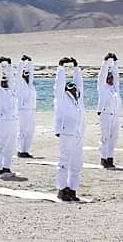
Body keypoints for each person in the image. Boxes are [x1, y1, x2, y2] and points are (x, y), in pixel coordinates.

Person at [54, 57, 85, 202]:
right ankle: (62, 189)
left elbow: (80, 83)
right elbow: (58, 85)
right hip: (67, 132)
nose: (73, 87)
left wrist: (76, 68)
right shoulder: (61, 98)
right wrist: (61, 68)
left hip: (78, 133)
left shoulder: (79, 98)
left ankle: (72, 189)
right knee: (64, 161)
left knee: (76, 163)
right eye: (70, 86)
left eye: (74, 86)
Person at [0, 57, 18, 175]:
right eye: (3, 80)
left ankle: (7, 166)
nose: (5, 82)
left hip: (12, 120)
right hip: (2, 120)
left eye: (5, 80)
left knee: (10, 144)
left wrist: (10, 66)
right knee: (1, 143)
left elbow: (12, 79)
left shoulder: (11, 91)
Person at [97, 53, 121, 168]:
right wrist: (106, 62)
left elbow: (117, 76)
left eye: (112, 77)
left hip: (115, 115)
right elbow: (101, 76)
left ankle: (110, 157)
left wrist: (116, 63)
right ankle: (103, 158)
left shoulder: (115, 88)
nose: (111, 79)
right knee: (105, 137)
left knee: (114, 137)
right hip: (106, 114)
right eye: (109, 77)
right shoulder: (102, 87)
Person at [14, 56, 37, 158]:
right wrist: (22, 62)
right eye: (25, 74)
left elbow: (31, 73)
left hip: (31, 110)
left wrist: (30, 62)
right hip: (22, 110)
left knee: (30, 130)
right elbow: (18, 73)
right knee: (22, 130)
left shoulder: (30, 85)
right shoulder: (19, 83)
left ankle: (25, 150)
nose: (27, 76)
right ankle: (20, 150)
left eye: (28, 74)